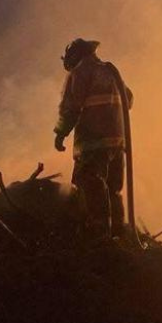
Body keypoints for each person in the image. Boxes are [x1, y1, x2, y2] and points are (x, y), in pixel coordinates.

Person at [53, 38, 133, 240]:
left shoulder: (80, 73)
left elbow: (70, 107)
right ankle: (118, 234)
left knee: (90, 184)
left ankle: (99, 235)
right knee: (113, 188)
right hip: (117, 142)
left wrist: (60, 134)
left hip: (92, 143)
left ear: (74, 57)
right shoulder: (110, 71)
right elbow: (128, 99)